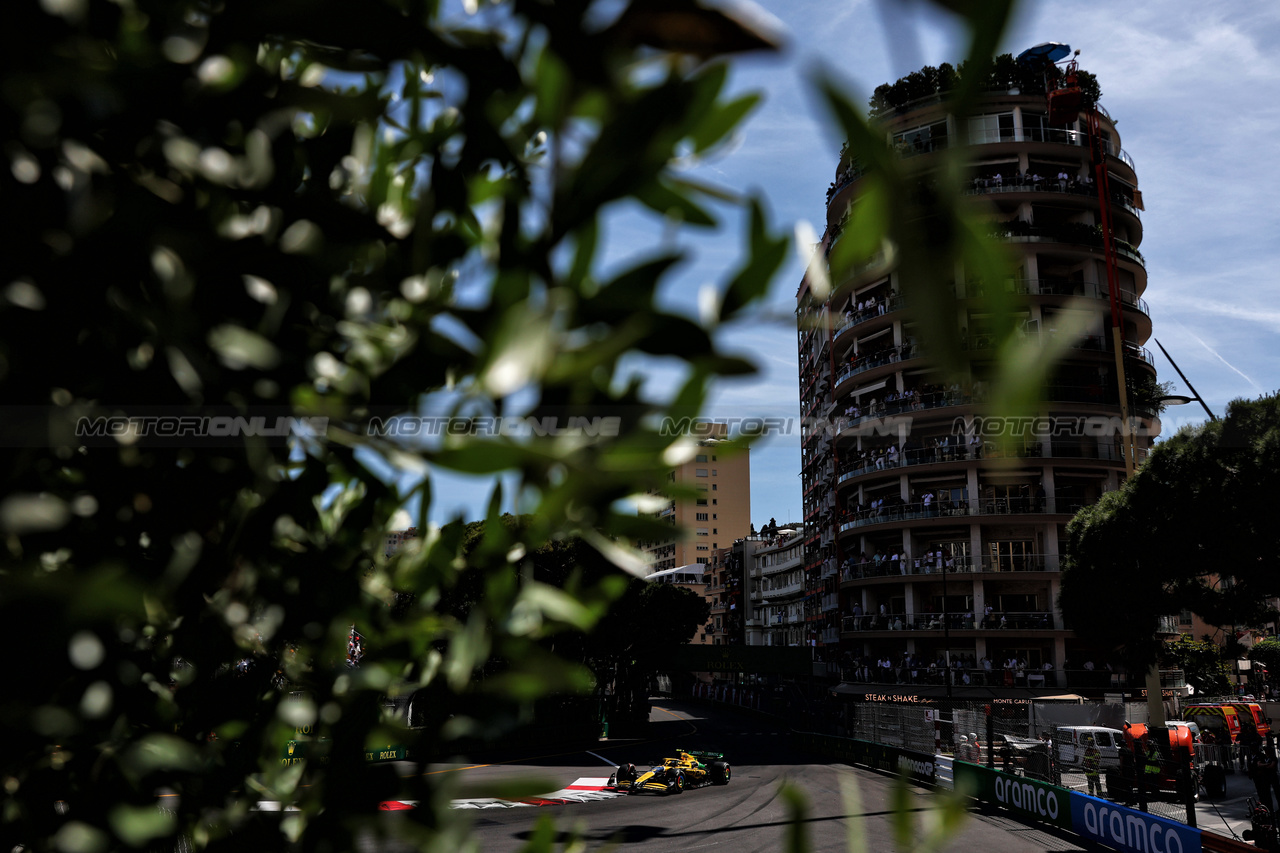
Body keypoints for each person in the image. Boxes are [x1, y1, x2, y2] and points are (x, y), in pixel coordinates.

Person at [1256, 739, 1280, 813]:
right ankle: (1270, 808)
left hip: (1273, 776)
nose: (1266, 752)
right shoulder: (1263, 757)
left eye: (1267, 751)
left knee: (1277, 793)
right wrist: (1266, 765)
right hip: (1266, 777)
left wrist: (1265, 766)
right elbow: (1259, 764)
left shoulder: (1273, 758)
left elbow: (1272, 766)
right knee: (1267, 794)